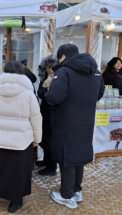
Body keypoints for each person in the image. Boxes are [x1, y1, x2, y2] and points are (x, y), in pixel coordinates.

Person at [44, 44, 105, 209]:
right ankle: (77, 190)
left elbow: (54, 97)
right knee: (79, 155)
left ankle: (66, 195)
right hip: (86, 120)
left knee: (67, 156)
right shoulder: (95, 71)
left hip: (66, 120)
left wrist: (46, 93)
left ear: (62, 56)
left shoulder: (64, 72)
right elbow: (99, 94)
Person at [0, 61, 42, 213]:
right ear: (21, 73)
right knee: (20, 170)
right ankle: (15, 202)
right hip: (23, 140)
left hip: (2, 139)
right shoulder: (28, 93)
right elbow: (36, 118)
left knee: (0, 169)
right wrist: (37, 138)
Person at [36, 55, 58, 176]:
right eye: (50, 66)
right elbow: (41, 93)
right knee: (44, 137)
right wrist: (46, 84)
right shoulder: (45, 77)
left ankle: (51, 167)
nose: (52, 69)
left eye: (54, 66)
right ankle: (45, 160)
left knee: (50, 140)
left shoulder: (60, 78)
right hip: (45, 111)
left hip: (53, 113)